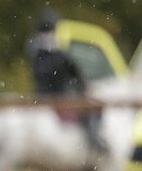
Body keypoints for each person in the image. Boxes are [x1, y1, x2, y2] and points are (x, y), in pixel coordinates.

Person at [25, 9, 106, 153]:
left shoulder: (35, 48)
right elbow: (71, 69)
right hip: (57, 96)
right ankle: (92, 140)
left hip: (39, 94)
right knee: (89, 107)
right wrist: (82, 84)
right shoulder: (54, 50)